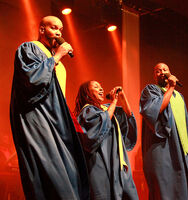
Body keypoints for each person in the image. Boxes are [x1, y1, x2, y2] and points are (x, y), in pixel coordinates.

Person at [10, 16, 89, 199]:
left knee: (70, 173)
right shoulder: (29, 48)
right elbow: (32, 80)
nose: (59, 33)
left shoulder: (58, 63)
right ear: (42, 29)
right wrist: (57, 56)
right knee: (51, 174)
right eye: (54, 28)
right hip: (38, 117)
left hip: (56, 120)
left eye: (61, 29)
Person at [140, 63, 188, 200]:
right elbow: (155, 111)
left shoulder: (179, 96)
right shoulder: (151, 90)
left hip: (183, 148)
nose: (162, 72)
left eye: (165, 69)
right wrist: (171, 87)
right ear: (154, 75)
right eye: (158, 71)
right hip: (164, 148)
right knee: (167, 190)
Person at [74, 81, 139, 200]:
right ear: (87, 93)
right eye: (96, 87)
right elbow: (102, 123)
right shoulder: (87, 111)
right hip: (100, 164)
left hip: (118, 164)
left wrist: (122, 97)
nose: (101, 89)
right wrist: (114, 101)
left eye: (101, 86)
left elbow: (127, 114)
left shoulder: (105, 109)